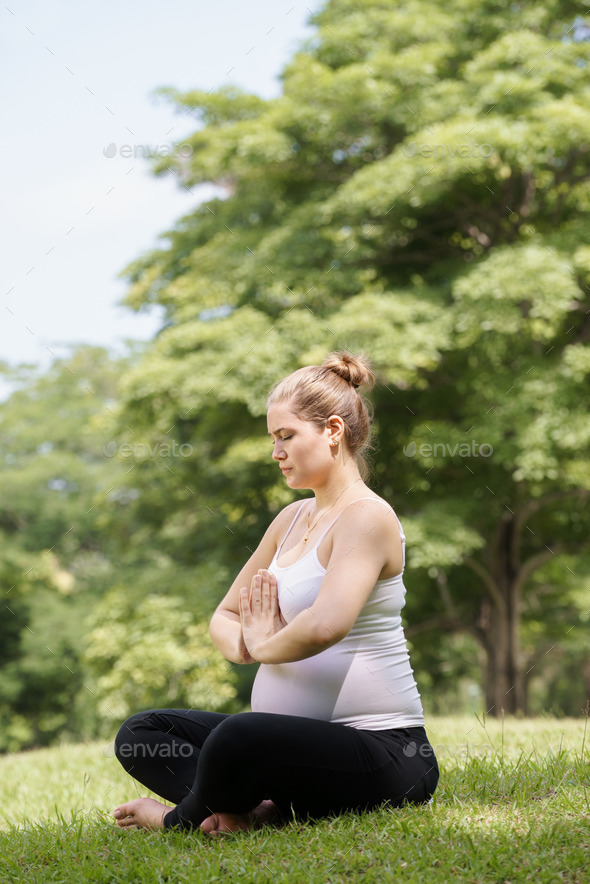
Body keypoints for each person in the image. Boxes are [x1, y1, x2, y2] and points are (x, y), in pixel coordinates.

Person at [112, 352, 439, 836]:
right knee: (141, 734)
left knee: (240, 735)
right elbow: (224, 615)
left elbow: (328, 623)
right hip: (285, 749)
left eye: (286, 436)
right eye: (273, 439)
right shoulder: (289, 521)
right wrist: (249, 645)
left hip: (385, 751)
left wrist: (266, 643)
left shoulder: (368, 517)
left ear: (332, 430)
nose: (275, 452)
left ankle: (179, 819)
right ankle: (249, 808)